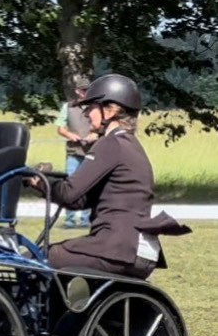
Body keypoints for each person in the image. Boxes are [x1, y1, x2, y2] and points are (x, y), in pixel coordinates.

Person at [29, 73, 189, 279]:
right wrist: (44, 184)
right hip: (138, 250)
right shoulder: (130, 145)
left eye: (90, 107)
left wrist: (39, 180)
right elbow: (79, 201)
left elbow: (69, 193)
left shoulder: (110, 143)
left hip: (117, 248)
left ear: (111, 109)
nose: (86, 114)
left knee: (30, 259)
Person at [54, 73, 95, 228]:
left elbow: (102, 127)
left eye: (88, 90)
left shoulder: (95, 107)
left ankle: (86, 220)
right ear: (78, 91)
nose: (85, 93)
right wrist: (69, 134)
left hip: (91, 151)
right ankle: (70, 220)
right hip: (73, 151)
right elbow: (60, 127)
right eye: (83, 90)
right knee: (70, 185)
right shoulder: (68, 107)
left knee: (89, 185)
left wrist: (94, 135)